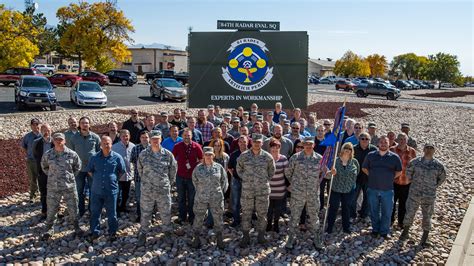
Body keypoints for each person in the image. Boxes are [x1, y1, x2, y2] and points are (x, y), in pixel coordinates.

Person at [399, 143, 446, 247]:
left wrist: (432, 186)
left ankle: (425, 237)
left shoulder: (438, 165)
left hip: (429, 196)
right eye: (427, 148)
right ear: (423, 149)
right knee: (410, 212)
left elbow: (441, 179)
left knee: (427, 216)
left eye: (431, 148)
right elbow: (408, 174)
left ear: (434, 150)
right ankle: (405, 232)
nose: (429, 150)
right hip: (414, 193)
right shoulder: (415, 162)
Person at [137, 130, 177, 246]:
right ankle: (143, 233)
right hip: (147, 190)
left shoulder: (168, 154)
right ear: (149, 139)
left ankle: (167, 232)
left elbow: (173, 171)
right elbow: (140, 170)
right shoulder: (143, 154)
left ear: (161, 139)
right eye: (153, 138)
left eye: (157, 139)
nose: (155, 141)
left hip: (163, 190)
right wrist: (147, 181)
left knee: (165, 212)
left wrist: (167, 183)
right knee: (145, 212)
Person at [40, 133, 83, 240]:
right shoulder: (48, 154)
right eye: (56, 140)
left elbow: (77, 167)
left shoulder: (72, 154)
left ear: (65, 141)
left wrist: (69, 177)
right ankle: (49, 229)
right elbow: (44, 167)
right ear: (53, 141)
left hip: (69, 187)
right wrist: (53, 176)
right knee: (51, 210)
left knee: (73, 208)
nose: (59, 141)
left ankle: (77, 227)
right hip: (53, 187)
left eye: (61, 139)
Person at [237, 134, 275, 247]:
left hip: (262, 191)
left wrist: (262, 180)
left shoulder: (268, 157)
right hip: (247, 191)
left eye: (259, 142)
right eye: (255, 142)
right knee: (246, 213)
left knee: (262, 214)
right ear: (251, 142)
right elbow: (239, 170)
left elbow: (271, 171)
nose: (256, 144)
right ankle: (246, 236)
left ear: (262, 143)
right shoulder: (243, 156)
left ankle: (261, 236)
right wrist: (246, 178)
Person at [285, 136, 323, 250]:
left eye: (310, 144)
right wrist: (295, 184)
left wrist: (332, 172)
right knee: (294, 216)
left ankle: (317, 238)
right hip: (298, 193)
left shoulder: (320, 159)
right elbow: (288, 172)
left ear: (313, 145)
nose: (308, 146)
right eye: (306, 144)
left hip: (312, 193)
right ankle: (291, 237)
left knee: (314, 217)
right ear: (303, 144)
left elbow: (326, 174)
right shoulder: (296, 158)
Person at [362, 136, 402, 239]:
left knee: (387, 211)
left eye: (386, 142)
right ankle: (375, 230)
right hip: (372, 188)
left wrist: (389, 178)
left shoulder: (394, 157)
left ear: (389, 144)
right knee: (374, 210)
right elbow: (364, 168)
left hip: (388, 190)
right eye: (381, 142)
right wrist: (372, 175)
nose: (383, 144)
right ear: (378, 144)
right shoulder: (371, 155)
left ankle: (384, 231)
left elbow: (399, 171)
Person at [87, 136, 126, 241]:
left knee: (112, 213)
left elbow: (122, 171)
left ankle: (113, 232)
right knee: (95, 212)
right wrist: (97, 179)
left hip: (111, 190)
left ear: (111, 144)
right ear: (100, 145)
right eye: (104, 143)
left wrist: (113, 179)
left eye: (108, 143)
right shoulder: (94, 158)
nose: (106, 145)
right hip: (96, 190)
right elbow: (90, 171)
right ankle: (95, 232)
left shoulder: (117, 157)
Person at [191, 147, 228, 249]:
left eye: (210, 154)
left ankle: (219, 238)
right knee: (198, 217)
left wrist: (218, 192)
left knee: (218, 218)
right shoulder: (198, 168)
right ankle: (196, 237)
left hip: (216, 197)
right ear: (203, 155)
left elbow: (224, 182)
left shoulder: (219, 167)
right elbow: (194, 181)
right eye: (206, 154)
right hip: (201, 197)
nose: (208, 156)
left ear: (213, 155)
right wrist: (201, 190)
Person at [69, 117, 101, 217]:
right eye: (82, 123)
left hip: (92, 169)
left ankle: (92, 210)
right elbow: (71, 153)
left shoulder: (95, 137)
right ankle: (80, 211)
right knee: (79, 191)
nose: (84, 125)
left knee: (93, 190)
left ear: (89, 125)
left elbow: (99, 153)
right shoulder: (74, 138)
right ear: (79, 124)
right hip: (79, 169)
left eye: (86, 123)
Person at [326, 142, 360, 234]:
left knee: (346, 208)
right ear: (342, 149)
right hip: (336, 189)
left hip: (349, 190)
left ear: (352, 151)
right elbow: (327, 176)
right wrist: (331, 173)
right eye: (346, 148)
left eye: (350, 149)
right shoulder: (335, 161)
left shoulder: (354, 162)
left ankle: (346, 227)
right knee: (333, 208)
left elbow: (357, 173)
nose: (347, 150)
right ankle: (329, 227)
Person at [172, 128, 204, 224]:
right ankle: (182, 217)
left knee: (192, 198)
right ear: (182, 136)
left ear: (192, 136)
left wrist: (197, 169)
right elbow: (172, 158)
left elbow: (202, 159)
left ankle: (192, 217)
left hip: (192, 177)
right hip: (180, 176)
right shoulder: (177, 146)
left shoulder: (196, 146)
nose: (187, 137)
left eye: (189, 136)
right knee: (181, 198)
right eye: (185, 136)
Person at [390, 133, 417, 229]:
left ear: (407, 140)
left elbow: (415, 167)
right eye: (400, 139)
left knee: (403, 203)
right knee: (391, 202)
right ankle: (390, 220)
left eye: (404, 139)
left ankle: (401, 222)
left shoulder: (412, 151)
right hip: (393, 182)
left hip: (406, 182)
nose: (402, 141)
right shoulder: (392, 150)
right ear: (397, 140)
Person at [351, 132, 377, 219]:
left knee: (367, 198)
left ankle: (364, 214)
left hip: (368, 178)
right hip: (356, 178)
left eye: (367, 139)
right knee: (353, 198)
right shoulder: (353, 149)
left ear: (370, 140)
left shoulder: (374, 150)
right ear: (359, 139)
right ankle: (352, 215)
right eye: (362, 138)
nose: (364, 140)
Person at [266, 138, 289, 233]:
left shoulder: (283, 159)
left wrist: (288, 185)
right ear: (270, 148)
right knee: (269, 208)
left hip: (280, 189)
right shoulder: (266, 158)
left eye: (277, 148)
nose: (275, 150)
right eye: (273, 148)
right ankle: (268, 224)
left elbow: (287, 174)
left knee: (278, 209)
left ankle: (276, 224)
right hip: (268, 189)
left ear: (279, 148)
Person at [33, 123, 54, 218]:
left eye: (48, 130)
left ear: (51, 131)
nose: (46, 132)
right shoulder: (36, 142)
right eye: (44, 130)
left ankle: (55, 210)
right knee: (43, 192)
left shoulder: (55, 142)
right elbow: (35, 155)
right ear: (41, 132)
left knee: (55, 192)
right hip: (42, 171)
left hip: (55, 171)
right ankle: (44, 211)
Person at [112, 129, 135, 214]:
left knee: (126, 193)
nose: (125, 137)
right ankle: (116, 209)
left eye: (127, 136)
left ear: (129, 136)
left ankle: (123, 207)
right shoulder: (114, 147)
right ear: (120, 137)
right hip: (118, 175)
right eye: (123, 136)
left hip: (128, 174)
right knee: (117, 193)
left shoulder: (133, 146)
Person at [227, 136, 249, 227]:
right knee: (236, 202)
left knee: (248, 202)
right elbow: (229, 167)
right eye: (240, 142)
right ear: (238, 143)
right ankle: (236, 220)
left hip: (248, 181)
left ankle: (247, 220)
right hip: (236, 181)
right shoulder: (234, 154)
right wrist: (234, 176)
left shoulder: (251, 153)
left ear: (247, 142)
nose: (242, 143)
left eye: (244, 142)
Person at [130, 131, 150, 222]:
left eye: (146, 137)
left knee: (150, 197)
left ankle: (150, 215)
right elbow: (133, 162)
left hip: (151, 179)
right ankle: (140, 215)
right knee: (139, 197)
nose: (144, 139)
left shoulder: (153, 148)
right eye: (143, 137)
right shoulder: (135, 148)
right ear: (140, 138)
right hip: (139, 177)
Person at [22, 118, 42, 202]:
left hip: (42, 161)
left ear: (40, 125)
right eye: (33, 124)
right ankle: (33, 195)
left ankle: (43, 195)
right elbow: (24, 147)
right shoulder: (27, 136)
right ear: (31, 126)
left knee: (42, 179)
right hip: (31, 161)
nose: (35, 126)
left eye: (37, 124)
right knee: (33, 178)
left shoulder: (43, 135)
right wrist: (29, 155)